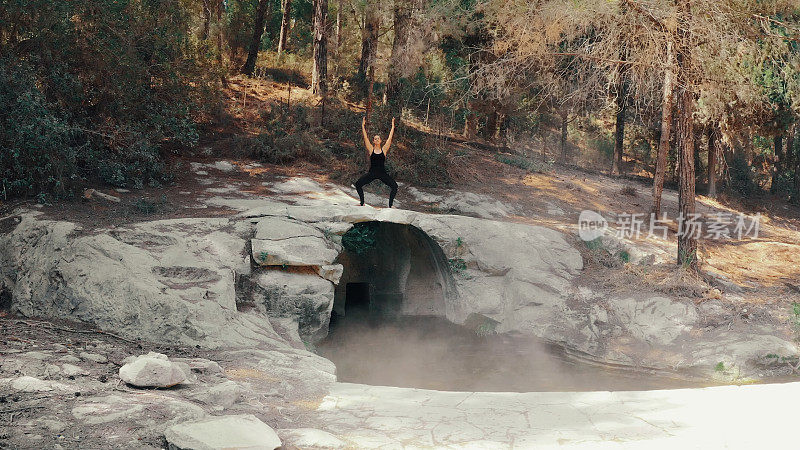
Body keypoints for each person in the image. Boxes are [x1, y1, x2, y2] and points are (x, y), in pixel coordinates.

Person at [354, 116, 398, 207]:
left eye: (378, 138)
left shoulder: (384, 150)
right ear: (373, 141)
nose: (377, 139)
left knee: (395, 186)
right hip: (372, 173)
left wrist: (393, 126)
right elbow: (365, 138)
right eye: (375, 138)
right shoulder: (371, 149)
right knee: (358, 184)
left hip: (382, 174)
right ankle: (362, 203)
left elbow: (390, 138)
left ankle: (390, 205)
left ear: (381, 141)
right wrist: (363, 126)